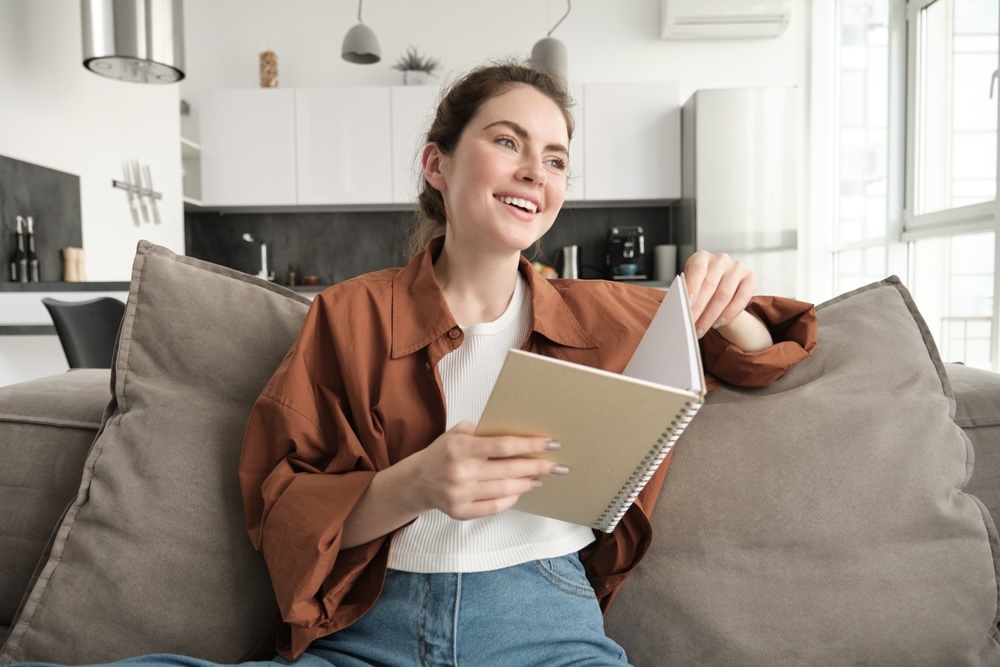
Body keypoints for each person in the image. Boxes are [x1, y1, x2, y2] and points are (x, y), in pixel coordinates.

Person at [15, 59, 814, 667]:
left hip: (542, 625)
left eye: (558, 158)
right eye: (508, 142)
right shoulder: (350, 314)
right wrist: (417, 482)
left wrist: (730, 296)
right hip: (372, 628)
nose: (538, 170)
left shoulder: (609, 311)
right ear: (438, 164)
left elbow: (758, 353)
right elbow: (283, 506)